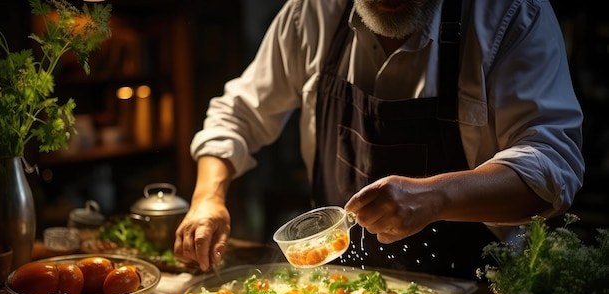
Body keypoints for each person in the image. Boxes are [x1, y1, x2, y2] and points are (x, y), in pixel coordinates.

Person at [174, 0, 584, 279]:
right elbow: (239, 113)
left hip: (477, 290)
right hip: (339, 284)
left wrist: (437, 196)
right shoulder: (315, 11)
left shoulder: (511, 13)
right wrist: (208, 197)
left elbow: (552, 165)